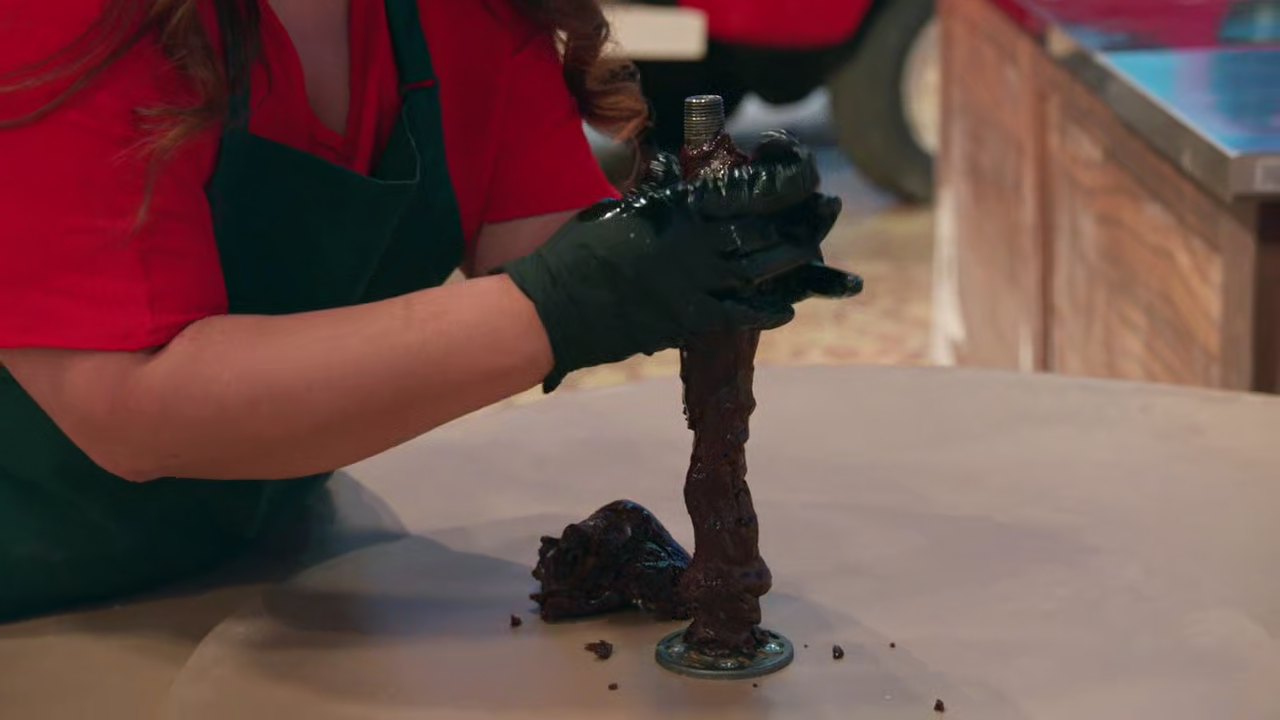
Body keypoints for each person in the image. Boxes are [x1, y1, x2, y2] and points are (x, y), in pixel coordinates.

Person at [0, 0, 858, 620]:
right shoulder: (69, 20)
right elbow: (134, 405)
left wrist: (691, 235)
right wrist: (572, 298)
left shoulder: (463, 14)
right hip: (36, 594)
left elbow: (546, 242)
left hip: (271, 558)